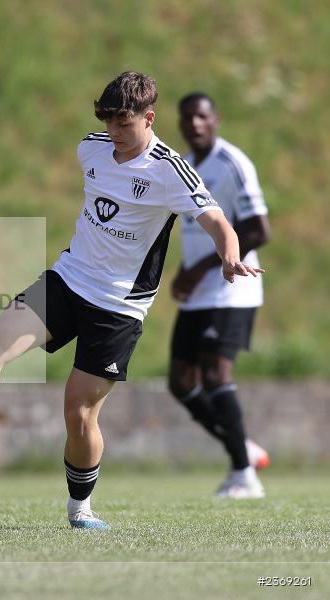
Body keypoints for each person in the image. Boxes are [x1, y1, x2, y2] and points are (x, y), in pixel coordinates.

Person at [0, 72, 263, 530]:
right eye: (108, 124)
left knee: (79, 413)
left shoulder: (170, 169)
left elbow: (220, 222)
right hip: (68, 279)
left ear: (150, 118)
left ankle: (80, 508)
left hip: (119, 307)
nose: (114, 135)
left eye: (124, 125)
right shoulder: (92, 147)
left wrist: (229, 257)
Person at [168, 93, 271, 499]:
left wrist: (198, 269)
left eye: (202, 116)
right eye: (188, 117)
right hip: (198, 291)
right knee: (180, 382)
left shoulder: (233, 164)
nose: (195, 123)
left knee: (214, 374)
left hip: (233, 287)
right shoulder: (184, 167)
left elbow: (258, 231)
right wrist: (181, 272)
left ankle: (244, 474)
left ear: (216, 120)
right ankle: (242, 445)